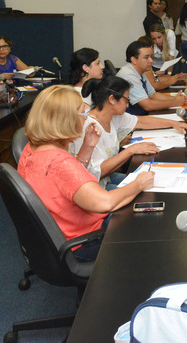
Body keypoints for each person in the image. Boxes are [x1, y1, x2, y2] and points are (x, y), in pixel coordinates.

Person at [17, 85, 155, 261]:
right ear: (67, 120)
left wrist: (87, 147)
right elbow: (106, 203)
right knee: (146, 217)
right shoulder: (59, 163)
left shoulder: (31, 148)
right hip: (82, 243)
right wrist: (139, 183)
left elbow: (71, 182)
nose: (87, 118)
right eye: (83, 112)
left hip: (59, 235)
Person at [68, 76, 187, 190]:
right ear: (112, 99)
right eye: (126, 100)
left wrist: (173, 123)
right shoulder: (89, 127)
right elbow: (95, 173)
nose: (128, 105)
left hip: (105, 178)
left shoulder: (113, 116)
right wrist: (131, 150)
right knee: (142, 191)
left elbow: (141, 121)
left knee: (151, 181)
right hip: (93, 187)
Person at [116, 40, 187, 115]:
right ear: (134, 60)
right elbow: (147, 105)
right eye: (146, 57)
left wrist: (177, 99)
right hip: (131, 118)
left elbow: (153, 95)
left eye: (151, 57)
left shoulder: (141, 70)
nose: (151, 60)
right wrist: (175, 102)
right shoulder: (128, 74)